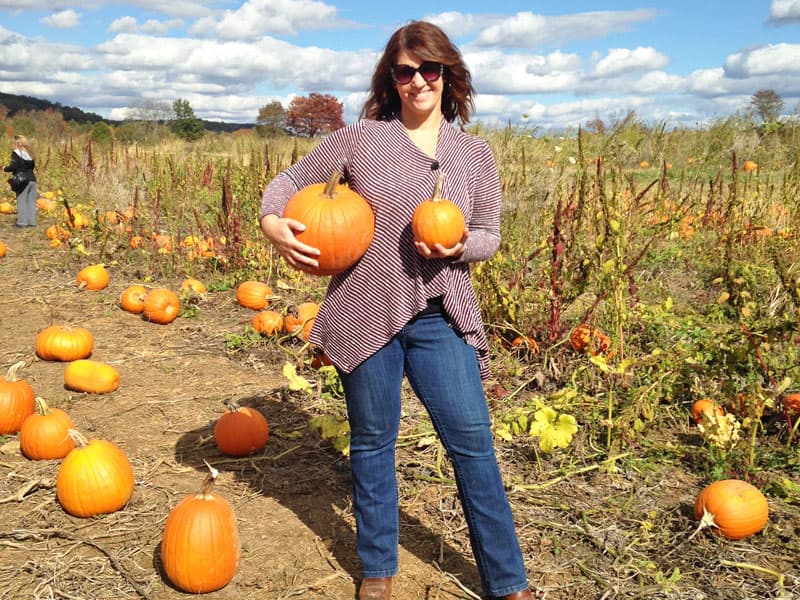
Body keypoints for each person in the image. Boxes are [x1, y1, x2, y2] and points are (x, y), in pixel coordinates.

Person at [259, 20, 533, 600]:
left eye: (428, 69)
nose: (417, 81)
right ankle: (378, 569)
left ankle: (508, 582)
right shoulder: (359, 137)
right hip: (365, 308)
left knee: (472, 445)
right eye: (404, 71)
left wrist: (460, 246)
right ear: (392, 78)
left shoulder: (474, 152)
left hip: (441, 315)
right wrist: (273, 223)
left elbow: (489, 234)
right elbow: (288, 183)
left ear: (448, 75)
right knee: (373, 441)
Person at [4, 134, 37, 227]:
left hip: (22, 181)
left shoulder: (16, 152)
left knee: (21, 200)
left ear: (16, 143)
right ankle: (32, 223)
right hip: (32, 180)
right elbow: (32, 167)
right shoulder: (30, 154)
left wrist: (4, 168)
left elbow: (14, 166)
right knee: (31, 202)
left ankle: (22, 223)